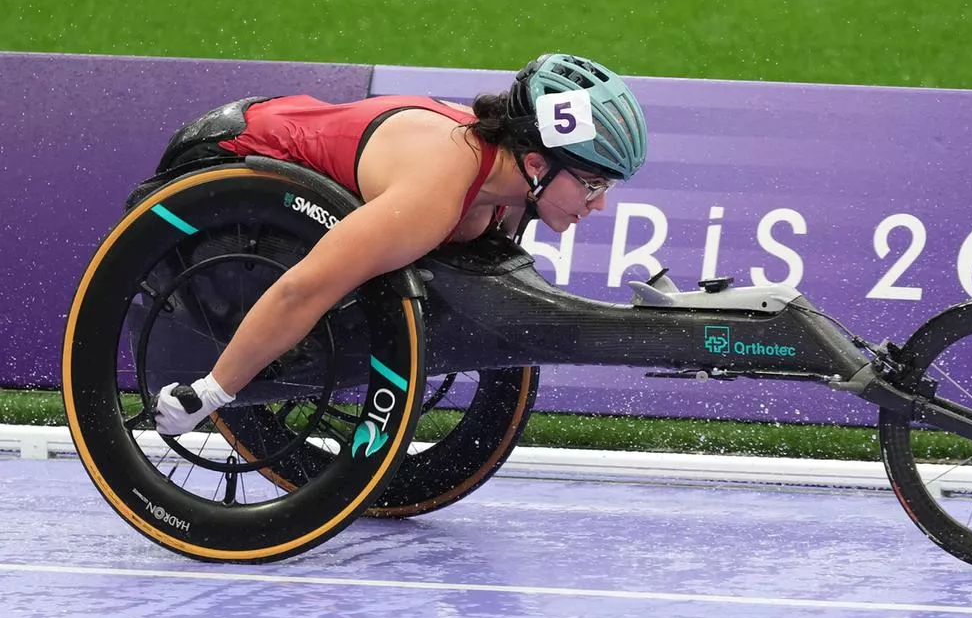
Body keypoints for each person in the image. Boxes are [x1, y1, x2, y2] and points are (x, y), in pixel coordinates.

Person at [150, 53, 649, 435]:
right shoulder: (433, 196)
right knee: (337, 279)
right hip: (220, 152)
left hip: (281, 131)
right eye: (592, 183)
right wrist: (211, 394)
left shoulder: (504, 181)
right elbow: (301, 290)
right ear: (537, 166)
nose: (599, 204)